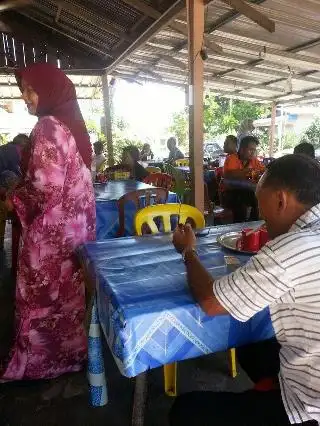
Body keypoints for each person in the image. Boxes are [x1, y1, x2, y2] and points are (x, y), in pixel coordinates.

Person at [170, 154, 320, 426]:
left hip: (310, 408)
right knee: (252, 344)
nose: (264, 223)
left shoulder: (294, 246)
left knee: (185, 411)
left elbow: (210, 301)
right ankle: (269, 387)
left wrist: (188, 252)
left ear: (281, 200)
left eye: (263, 212)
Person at [0, 63, 96, 382]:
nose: (26, 97)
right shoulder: (75, 127)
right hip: (78, 236)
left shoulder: (48, 126)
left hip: (52, 238)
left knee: (40, 301)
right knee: (68, 301)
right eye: (23, 90)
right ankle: (70, 357)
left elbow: (45, 189)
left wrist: (12, 201)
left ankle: (35, 364)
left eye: (30, 89)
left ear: (49, 89)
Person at [223, 135, 265, 222]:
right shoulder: (231, 158)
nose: (253, 152)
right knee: (246, 198)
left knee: (258, 196)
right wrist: (250, 172)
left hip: (249, 192)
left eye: (254, 150)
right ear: (242, 149)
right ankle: (241, 225)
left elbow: (263, 171)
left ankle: (253, 223)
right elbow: (231, 175)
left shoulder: (254, 160)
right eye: (250, 150)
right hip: (230, 193)